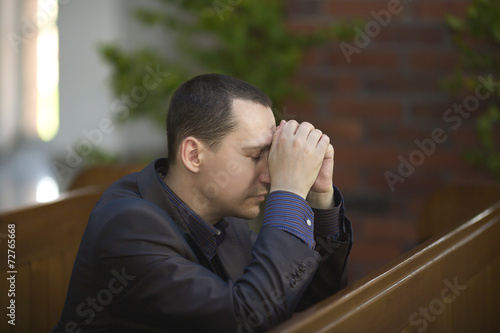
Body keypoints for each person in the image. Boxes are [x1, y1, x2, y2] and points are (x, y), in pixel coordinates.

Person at [52, 73, 353, 333]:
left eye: (271, 154)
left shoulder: (222, 211)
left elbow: (305, 297)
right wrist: (287, 193)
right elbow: (248, 319)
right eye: (254, 156)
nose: (270, 174)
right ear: (193, 155)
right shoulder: (127, 229)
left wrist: (318, 198)